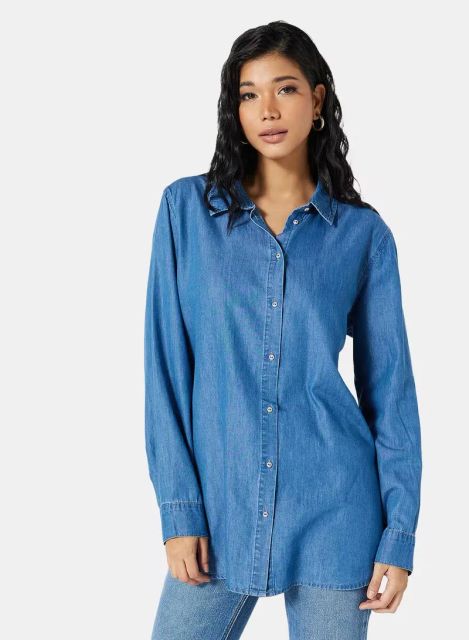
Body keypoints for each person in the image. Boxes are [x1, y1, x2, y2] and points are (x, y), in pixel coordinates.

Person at [144, 20, 422, 639]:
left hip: (336, 512)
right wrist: (179, 511)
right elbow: (165, 372)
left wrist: (399, 535)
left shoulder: (362, 236)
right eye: (249, 94)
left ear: (317, 100)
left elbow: (391, 394)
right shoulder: (186, 213)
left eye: (286, 89)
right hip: (217, 512)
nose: (267, 110)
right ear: (234, 109)